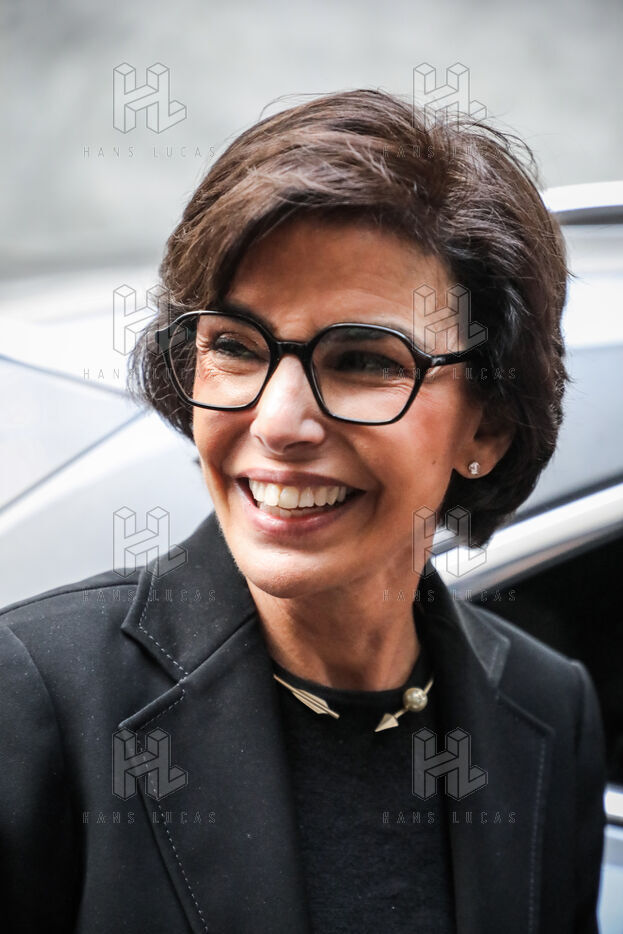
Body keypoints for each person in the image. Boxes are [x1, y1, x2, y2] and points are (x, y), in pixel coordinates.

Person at [0, 89, 606, 933]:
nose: (279, 423)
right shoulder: (36, 692)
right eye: (234, 346)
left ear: (487, 426)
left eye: (363, 360)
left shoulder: (545, 712)